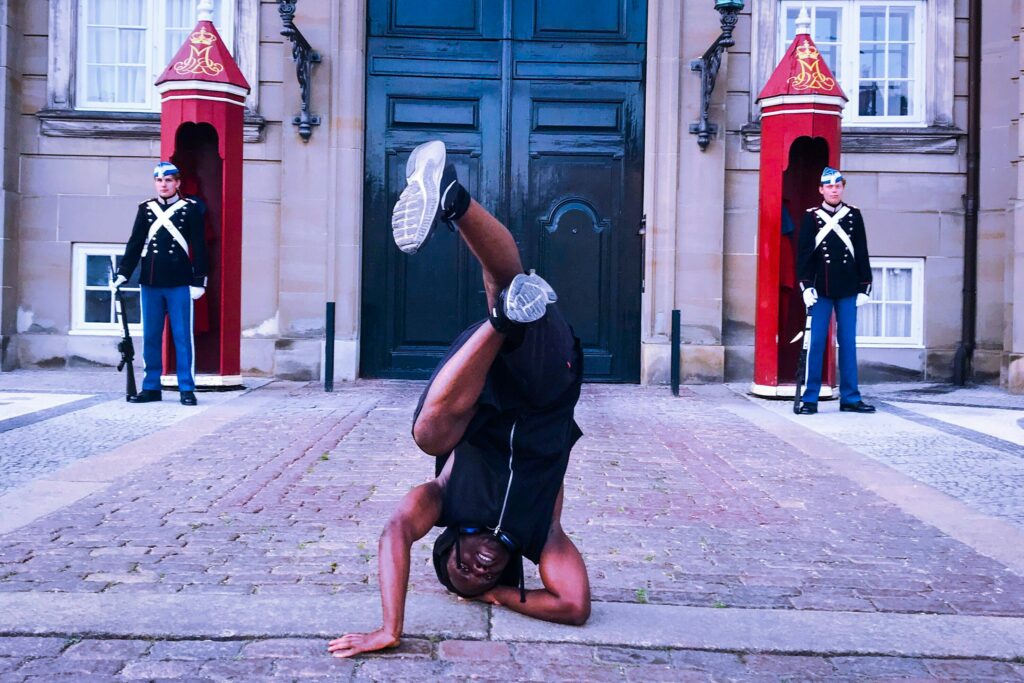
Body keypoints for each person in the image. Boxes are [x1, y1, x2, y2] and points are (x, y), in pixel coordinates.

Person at [328, 140, 590, 659]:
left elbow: (397, 531)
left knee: (429, 438)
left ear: (449, 543)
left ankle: (502, 318)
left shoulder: (444, 502)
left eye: (459, 566)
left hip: (478, 383)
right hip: (546, 393)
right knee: (511, 287)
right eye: (480, 577)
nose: (476, 569)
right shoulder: (541, 533)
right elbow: (574, 605)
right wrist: (496, 596)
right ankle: (453, 199)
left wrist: (390, 627)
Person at [112, 162, 208, 406]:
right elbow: (135, 243)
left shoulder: (190, 209)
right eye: (159, 180)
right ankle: (151, 387)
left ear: (177, 183)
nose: (163, 185)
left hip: (180, 281)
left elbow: (200, 246)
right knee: (151, 336)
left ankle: (186, 388)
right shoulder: (146, 209)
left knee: (182, 337)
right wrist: (123, 273)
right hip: (151, 281)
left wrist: (199, 280)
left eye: (168, 180)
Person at [795, 166, 875, 415]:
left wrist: (865, 287)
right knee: (817, 342)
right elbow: (804, 256)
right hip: (821, 289)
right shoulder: (811, 217)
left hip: (848, 288)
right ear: (821, 189)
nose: (834, 190)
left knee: (848, 344)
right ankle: (810, 398)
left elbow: (861, 252)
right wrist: (806, 286)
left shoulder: (854, 215)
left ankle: (850, 397)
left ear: (842, 188)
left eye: (837, 186)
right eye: (829, 186)